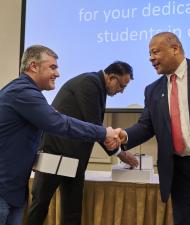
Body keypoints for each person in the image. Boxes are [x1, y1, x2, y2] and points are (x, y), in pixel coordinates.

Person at [108, 32, 190, 225]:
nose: (151, 58)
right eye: (149, 53)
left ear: (175, 49)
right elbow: (146, 126)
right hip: (181, 176)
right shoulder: (153, 90)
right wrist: (125, 135)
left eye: (155, 52)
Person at [0, 45, 120, 225]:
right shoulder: (22, 93)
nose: (58, 74)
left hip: (13, 190)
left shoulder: (28, 93)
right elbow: (60, 123)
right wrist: (103, 132)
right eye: (53, 67)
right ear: (33, 66)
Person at [26, 61, 138, 225]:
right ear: (112, 78)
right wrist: (120, 153)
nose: (122, 91)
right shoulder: (89, 83)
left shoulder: (97, 86)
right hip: (54, 153)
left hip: (73, 158)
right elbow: (95, 126)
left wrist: (119, 151)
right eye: (122, 86)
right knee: (40, 205)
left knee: (72, 211)